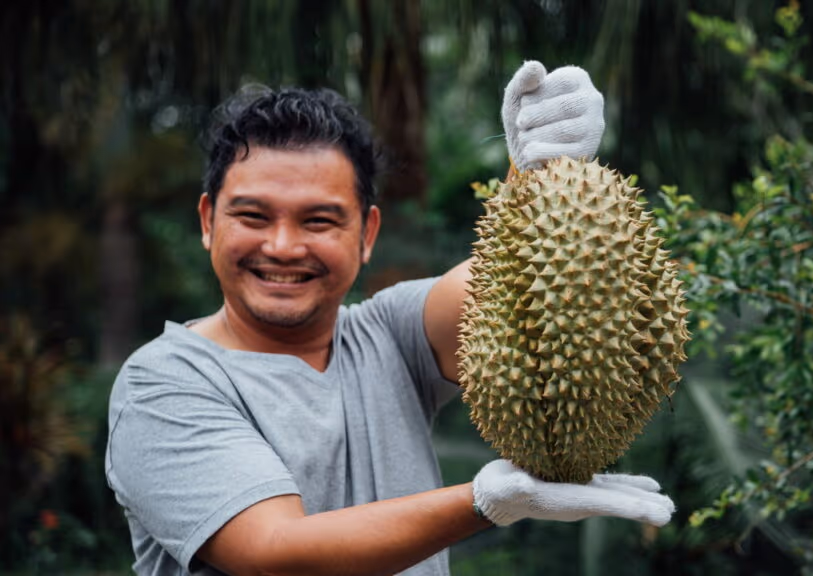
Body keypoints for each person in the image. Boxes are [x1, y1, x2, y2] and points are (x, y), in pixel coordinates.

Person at [105, 61, 675, 576]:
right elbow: (274, 553)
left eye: (319, 221)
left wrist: (536, 165)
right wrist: (484, 502)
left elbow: (515, 285)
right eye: (253, 216)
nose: (282, 246)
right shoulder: (163, 383)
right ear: (208, 221)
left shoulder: (387, 334)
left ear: (367, 234)